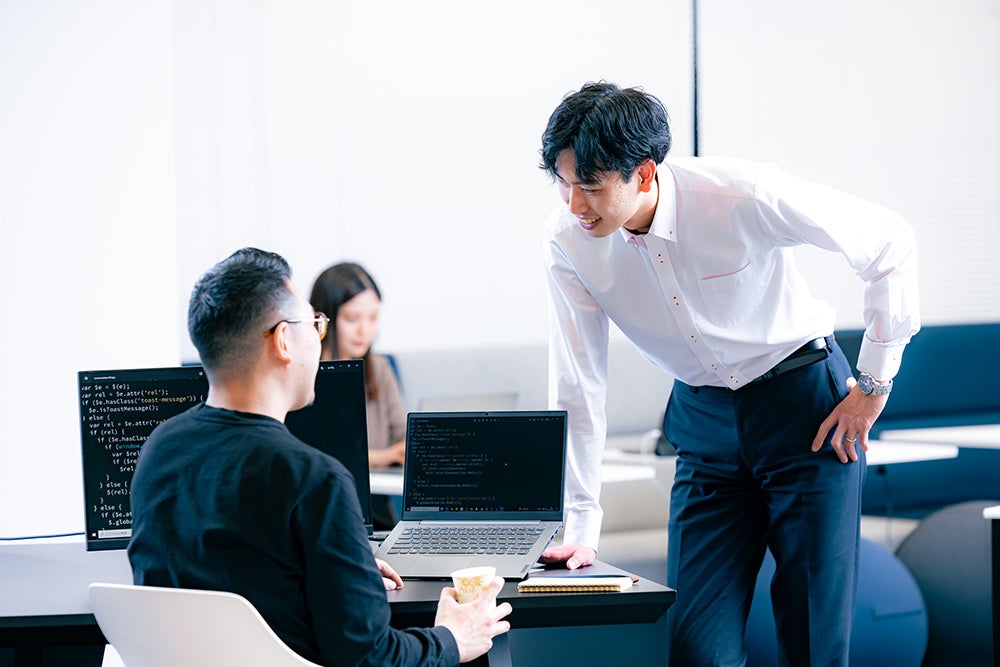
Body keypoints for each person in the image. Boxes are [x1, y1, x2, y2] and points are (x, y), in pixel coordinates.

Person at [536, 82, 919, 666]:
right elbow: (578, 382)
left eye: (589, 187)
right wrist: (580, 526)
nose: (573, 205)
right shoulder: (567, 242)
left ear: (643, 172)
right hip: (702, 418)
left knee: (813, 638)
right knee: (698, 648)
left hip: (803, 407)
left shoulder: (739, 194)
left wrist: (874, 384)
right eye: (563, 184)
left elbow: (889, 242)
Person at [128, 247, 511, 666]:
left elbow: (233, 570)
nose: (318, 335)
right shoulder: (314, 480)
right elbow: (371, 659)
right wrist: (452, 639)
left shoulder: (158, 450)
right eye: (315, 323)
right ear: (284, 341)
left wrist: (341, 566)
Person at [310, 262, 405, 530]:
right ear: (324, 319)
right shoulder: (304, 373)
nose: (365, 330)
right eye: (352, 319)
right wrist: (384, 456)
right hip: (324, 510)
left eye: (373, 318)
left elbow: (402, 440)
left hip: (377, 511)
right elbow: (317, 455)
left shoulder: (379, 368)